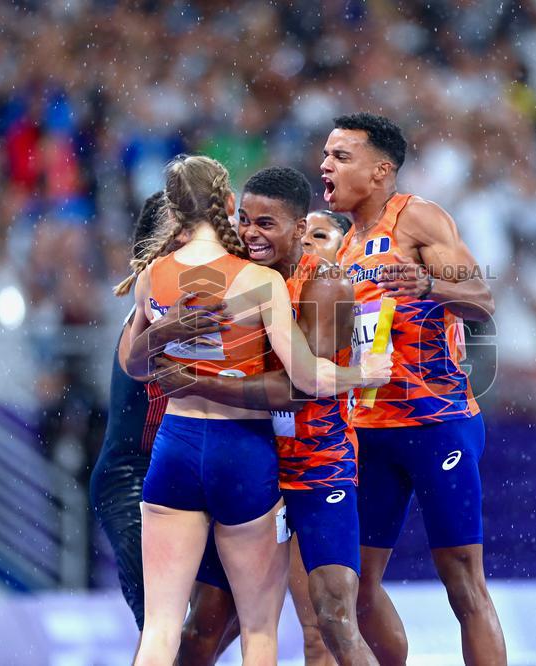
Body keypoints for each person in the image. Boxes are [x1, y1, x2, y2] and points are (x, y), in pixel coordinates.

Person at [120, 155, 391, 666]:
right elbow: (305, 381)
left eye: (265, 223)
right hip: (244, 453)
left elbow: (135, 365)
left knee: (166, 629)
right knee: (242, 630)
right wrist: (364, 375)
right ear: (227, 207)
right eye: (244, 218)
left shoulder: (155, 274)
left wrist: (174, 347)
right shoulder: (252, 280)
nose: (249, 231)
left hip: (226, 451)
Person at [323, 113, 507, 665]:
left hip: (436, 422)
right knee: (352, 590)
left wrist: (428, 284)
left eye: (340, 157)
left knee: (462, 583)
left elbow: (481, 302)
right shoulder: (338, 245)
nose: (325, 166)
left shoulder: (418, 219)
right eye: (326, 155)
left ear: (381, 171)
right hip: (368, 430)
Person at [90, 191, 231, 633]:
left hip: (189, 477)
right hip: (130, 479)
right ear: (162, 248)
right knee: (160, 626)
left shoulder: (219, 300)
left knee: (215, 621)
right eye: (188, 234)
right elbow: (138, 362)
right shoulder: (148, 312)